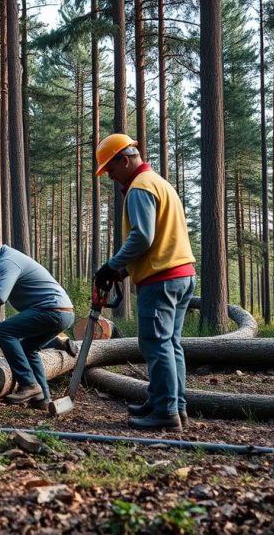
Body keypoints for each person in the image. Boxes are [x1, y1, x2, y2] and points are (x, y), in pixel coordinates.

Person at [94, 133, 195, 431]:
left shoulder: (139, 188)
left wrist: (110, 265)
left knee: (155, 344)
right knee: (170, 344)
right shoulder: (160, 183)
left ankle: (165, 412)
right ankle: (172, 404)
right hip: (181, 275)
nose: (111, 177)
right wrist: (123, 273)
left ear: (124, 161)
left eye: (111, 170)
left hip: (161, 281)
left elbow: (143, 236)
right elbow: (159, 240)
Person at [0, 228, 76, 408]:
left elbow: (0, 296)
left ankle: (29, 384)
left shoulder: (6, 261)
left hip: (52, 310)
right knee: (28, 348)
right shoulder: (8, 259)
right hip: (62, 312)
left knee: (3, 331)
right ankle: (43, 399)